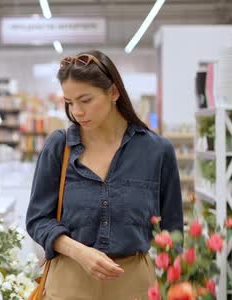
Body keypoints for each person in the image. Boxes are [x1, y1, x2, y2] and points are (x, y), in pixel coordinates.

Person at [26, 50, 183, 299]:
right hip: (69, 281)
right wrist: (78, 251)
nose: (76, 111)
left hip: (134, 285)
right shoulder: (60, 146)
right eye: (69, 102)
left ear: (113, 92)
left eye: (85, 100)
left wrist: (179, 280)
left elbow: (173, 230)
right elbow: (37, 220)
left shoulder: (157, 151)